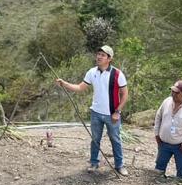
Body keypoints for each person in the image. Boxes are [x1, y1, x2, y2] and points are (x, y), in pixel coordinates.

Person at [55, 45, 130, 176]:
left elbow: (125, 94)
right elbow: (80, 87)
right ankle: (94, 163)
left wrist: (117, 112)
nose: (99, 57)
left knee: (115, 139)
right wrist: (64, 84)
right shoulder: (92, 72)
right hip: (96, 112)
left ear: (109, 59)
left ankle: (120, 165)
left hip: (112, 114)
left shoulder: (117, 74)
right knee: (95, 138)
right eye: (98, 54)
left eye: (103, 55)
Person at [153, 80, 182, 179]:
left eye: (177, 93)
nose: (173, 94)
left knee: (181, 171)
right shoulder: (167, 101)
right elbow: (158, 117)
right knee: (159, 168)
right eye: (172, 92)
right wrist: (157, 134)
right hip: (164, 143)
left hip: (181, 146)